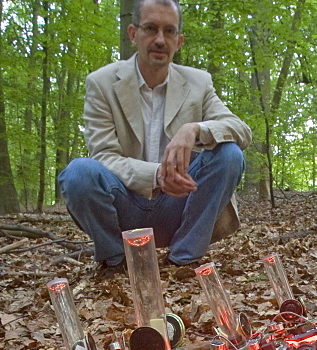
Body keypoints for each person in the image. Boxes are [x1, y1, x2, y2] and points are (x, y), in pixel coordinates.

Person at [57, 0, 251, 276]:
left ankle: (185, 259)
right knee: (78, 173)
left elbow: (240, 129)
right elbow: (104, 156)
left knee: (230, 154)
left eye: (169, 31)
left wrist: (195, 129)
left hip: (180, 204)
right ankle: (114, 261)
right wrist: (158, 175)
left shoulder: (199, 82)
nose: (160, 39)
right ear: (133, 33)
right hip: (123, 203)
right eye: (151, 28)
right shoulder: (101, 83)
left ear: (179, 40)